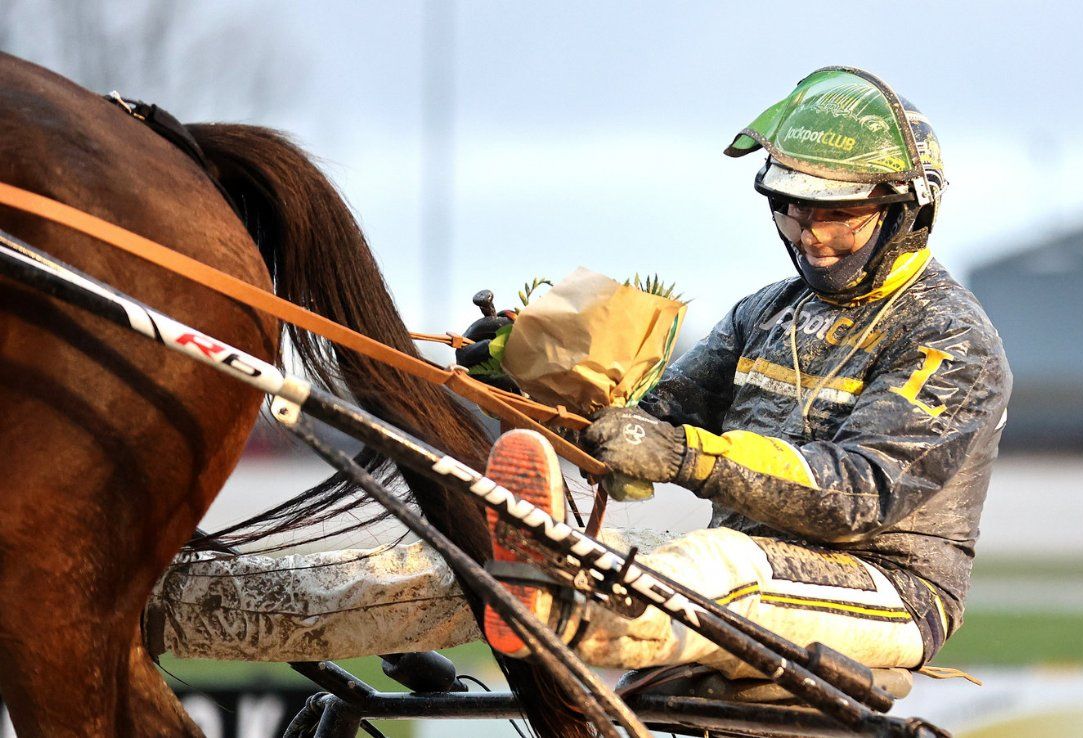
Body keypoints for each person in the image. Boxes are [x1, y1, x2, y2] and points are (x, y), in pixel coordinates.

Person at [146, 66, 1011, 679]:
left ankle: (554, 603)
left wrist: (683, 457)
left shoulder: (951, 341)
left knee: (715, 566)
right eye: (789, 208)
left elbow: (856, 491)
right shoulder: (766, 310)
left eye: (837, 217)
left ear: (909, 210)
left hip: (885, 590)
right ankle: (175, 602)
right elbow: (643, 420)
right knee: (462, 554)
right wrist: (532, 377)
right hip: (738, 565)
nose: (808, 235)